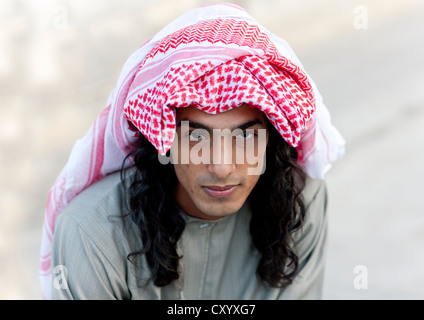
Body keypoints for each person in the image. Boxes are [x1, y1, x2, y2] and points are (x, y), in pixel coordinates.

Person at [40, 3, 345, 300]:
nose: (222, 167)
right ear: (163, 140)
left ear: (271, 140)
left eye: (246, 135)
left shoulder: (300, 202)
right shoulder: (93, 234)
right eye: (196, 136)